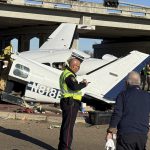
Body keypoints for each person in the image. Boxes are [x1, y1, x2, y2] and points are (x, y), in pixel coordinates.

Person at [106, 71, 150, 150]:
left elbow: (117, 113)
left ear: (127, 83)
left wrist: (110, 131)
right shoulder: (147, 96)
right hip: (142, 135)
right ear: (139, 83)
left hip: (126, 134)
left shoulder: (123, 95)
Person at [58, 58, 89, 150]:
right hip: (70, 103)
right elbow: (74, 87)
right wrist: (83, 84)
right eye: (78, 66)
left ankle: (62, 147)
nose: (79, 68)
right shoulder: (69, 75)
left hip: (67, 101)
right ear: (73, 66)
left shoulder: (66, 73)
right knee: (68, 128)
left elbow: (72, 86)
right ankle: (66, 148)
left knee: (65, 126)